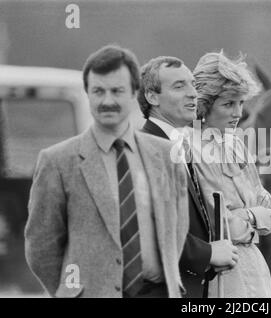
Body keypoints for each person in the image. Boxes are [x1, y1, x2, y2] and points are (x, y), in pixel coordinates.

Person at [25, 45, 189, 298]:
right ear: (87, 93)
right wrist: (72, 292)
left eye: (117, 91)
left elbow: (177, 229)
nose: (107, 101)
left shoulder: (168, 155)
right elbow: (41, 246)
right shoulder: (57, 161)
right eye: (98, 91)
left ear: (135, 92)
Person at [138, 56, 239, 298]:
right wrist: (207, 253)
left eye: (192, 84)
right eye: (179, 86)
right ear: (152, 97)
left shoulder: (180, 146)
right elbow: (148, 230)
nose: (193, 93)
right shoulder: (145, 151)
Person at [191, 51, 271, 298]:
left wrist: (244, 217)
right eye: (229, 103)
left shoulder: (238, 145)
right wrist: (255, 217)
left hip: (256, 272)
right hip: (220, 278)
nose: (238, 113)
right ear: (204, 105)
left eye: (241, 103)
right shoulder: (192, 150)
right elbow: (218, 227)